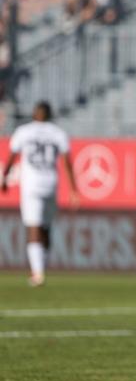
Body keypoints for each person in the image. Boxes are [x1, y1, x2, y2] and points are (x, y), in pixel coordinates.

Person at [0, 101, 79, 287]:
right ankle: (41, 267)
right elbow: (67, 162)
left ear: (34, 114)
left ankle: (37, 272)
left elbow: (11, 157)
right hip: (51, 184)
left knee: (33, 227)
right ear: (50, 115)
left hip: (32, 185)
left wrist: (4, 179)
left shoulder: (24, 131)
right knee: (46, 227)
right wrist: (73, 189)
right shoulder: (57, 133)